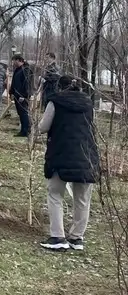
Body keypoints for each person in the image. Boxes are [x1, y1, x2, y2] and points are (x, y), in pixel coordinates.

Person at [38, 75, 99, 252]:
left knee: (55, 193)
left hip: (61, 154)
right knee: (83, 199)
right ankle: (77, 238)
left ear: (60, 87)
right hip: (86, 155)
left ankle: (57, 237)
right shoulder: (88, 104)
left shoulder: (55, 101)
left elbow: (43, 127)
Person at [10, 54, 33, 137]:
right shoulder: (18, 70)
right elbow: (14, 82)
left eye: (14, 61)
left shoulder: (26, 70)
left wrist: (24, 95)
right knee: (21, 113)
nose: (13, 63)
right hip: (17, 94)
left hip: (22, 95)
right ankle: (24, 129)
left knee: (24, 112)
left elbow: (27, 84)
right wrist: (11, 92)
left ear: (19, 60)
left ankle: (26, 130)